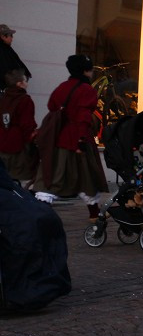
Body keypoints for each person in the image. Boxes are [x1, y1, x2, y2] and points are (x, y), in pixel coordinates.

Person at [32, 55, 107, 223]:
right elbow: (84, 116)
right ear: (85, 70)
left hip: (58, 139)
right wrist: (81, 139)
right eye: (90, 68)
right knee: (85, 177)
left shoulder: (63, 87)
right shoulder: (87, 90)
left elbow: (52, 106)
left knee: (52, 177)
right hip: (77, 139)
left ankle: (40, 213)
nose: (92, 71)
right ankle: (94, 214)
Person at [0, 69, 37, 182]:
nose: (27, 83)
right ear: (19, 84)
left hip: (2, 140)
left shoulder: (3, 98)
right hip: (18, 143)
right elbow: (27, 124)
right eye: (25, 80)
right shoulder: (25, 100)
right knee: (18, 177)